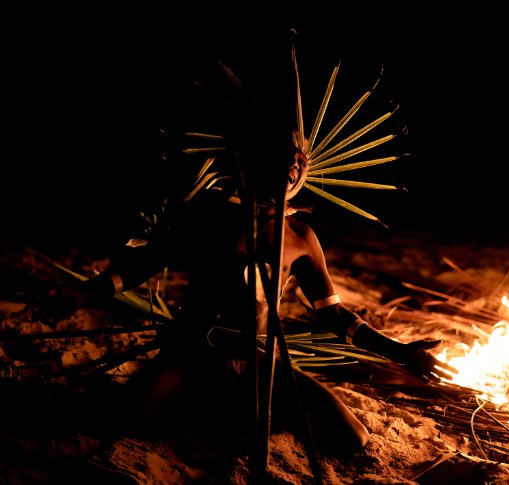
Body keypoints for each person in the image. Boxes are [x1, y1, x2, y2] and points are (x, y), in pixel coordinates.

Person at [47, 133, 457, 456]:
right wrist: (81, 295)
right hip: (193, 356)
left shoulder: (300, 237)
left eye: (298, 161)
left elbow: (335, 316)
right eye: (281, 157)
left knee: (353, 438)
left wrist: (400, 352)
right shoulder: (210, 218)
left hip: (260, 364)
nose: (292, 167)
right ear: (248, 163)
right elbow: (141, 265)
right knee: (124, 423)